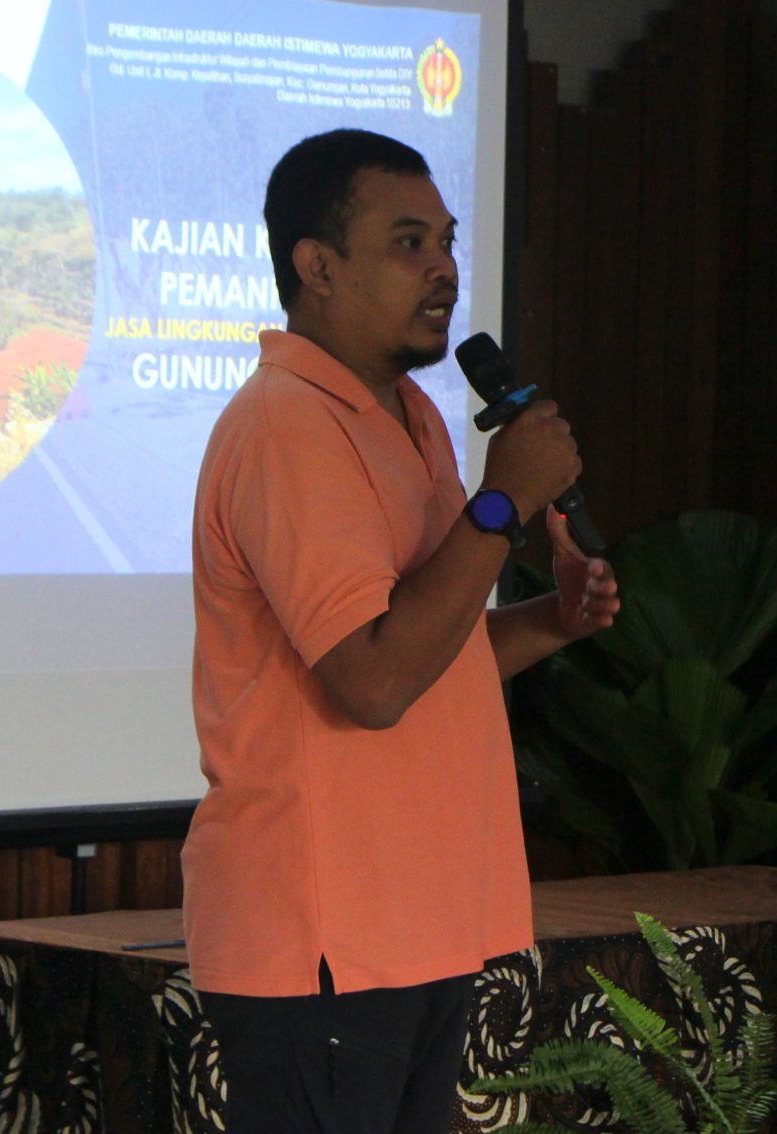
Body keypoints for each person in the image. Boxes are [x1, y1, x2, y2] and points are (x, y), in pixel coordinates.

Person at [181, 129, 621, 1134]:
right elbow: (373, 684)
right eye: (408, 242)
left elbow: (432, 656)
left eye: (447, 242)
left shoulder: (411, 417)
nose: (444, 269)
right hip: (326, 936)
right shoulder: (286, 425)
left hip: (418, 923)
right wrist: (501, 502)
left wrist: (552, 619)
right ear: (318, 266)